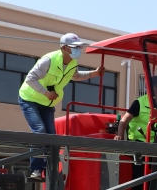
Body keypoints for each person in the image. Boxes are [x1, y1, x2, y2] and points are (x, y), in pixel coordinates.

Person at [18, 33, 104, 180]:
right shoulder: (48, 60)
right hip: (30, 99)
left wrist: (95, 73)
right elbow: (30, 78)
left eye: (80, 47)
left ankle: (50, 170)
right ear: (64, 48)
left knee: (52, 136)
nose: (79, 50)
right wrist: (46, 93)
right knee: (40, 130)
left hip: (47, 103)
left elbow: (76, 76)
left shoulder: (72, 63)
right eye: (75, 47)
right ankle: (36, 170)